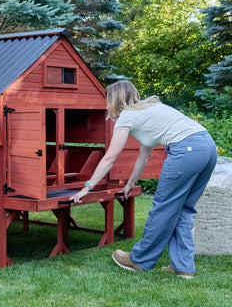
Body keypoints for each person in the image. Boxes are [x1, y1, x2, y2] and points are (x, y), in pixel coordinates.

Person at [70, 80, 217, 278]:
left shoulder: (127, 116)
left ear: (114, 100)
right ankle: (183, 266)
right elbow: (143, 156)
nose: (106, 106)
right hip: (207, 147)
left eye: (107, 101)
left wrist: (87, 187)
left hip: (186, 150)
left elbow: (110, 158)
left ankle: (139, 260)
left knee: (163, 208)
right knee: (184, 209)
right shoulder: (148, 110)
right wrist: (130, 183)